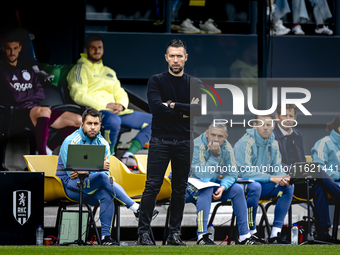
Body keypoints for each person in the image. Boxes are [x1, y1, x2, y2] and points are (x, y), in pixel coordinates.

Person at [56, 107, 158, 245]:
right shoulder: (71, 141)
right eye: (89, 123)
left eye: (96, 124)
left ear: (100, 125)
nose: (93, 127)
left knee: (106, 193)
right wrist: (96, 166)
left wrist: (87, 170)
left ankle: (105, 238)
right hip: (70, 186)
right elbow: (73, 174)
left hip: (90, 186)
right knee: (102, 179)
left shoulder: (103, 143)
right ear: (82, 124)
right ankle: (136, 208)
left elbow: (103, 173)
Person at [137, 39, 202, 246]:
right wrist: (184, 110)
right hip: (160, 140)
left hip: (185, 141)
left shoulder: (195, 83)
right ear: (166, 58)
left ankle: (174, 234)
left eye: (179, 56)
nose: (175, 60)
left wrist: (172, 105)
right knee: (152, 186)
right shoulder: (156, 81)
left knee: (180, 189)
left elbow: (198, 111)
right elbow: (156, 108)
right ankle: (143, 233)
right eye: (172, 56)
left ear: (186, 58)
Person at [67, 34, 152, 170]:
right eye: (93, 48)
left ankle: (128, 155)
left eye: (99, 47)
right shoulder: (80, 69)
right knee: (113, 121)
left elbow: (119, 91)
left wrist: (121, 105)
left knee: (156, 120)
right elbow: (78, 94)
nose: (97, 50)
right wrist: (104, 106)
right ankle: (109, 156)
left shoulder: (109, 71)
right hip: (96, 111)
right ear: (86, 49)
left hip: (117, 112)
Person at [0, 29, 81, 155]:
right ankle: (42, 155)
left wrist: (21, 93)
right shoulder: (2, 70)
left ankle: (49, 148)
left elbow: (40, 93)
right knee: (44, 110)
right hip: (15, 114)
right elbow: (14, 98)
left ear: (20, 48)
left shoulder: (28, 69)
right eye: (9, 49)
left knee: (79, 121)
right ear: (3, 48)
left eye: (15, 48)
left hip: (37, 112)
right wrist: (30, 92)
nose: (12, 52)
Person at [188, 123, 260, 245]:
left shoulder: (226, 147)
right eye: (213, 135)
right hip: (185, 186)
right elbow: (204, 178)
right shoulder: (197, 145)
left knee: (237, 189)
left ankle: (244, 236)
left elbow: (232, 173)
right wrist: (215, 156)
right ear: (206, 133)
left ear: (225, 137)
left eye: (220, 136)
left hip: (208, 185)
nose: (216, 139)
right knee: (207, 187)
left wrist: (223, 187)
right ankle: (201, 236)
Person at [234, 114, 294, 244]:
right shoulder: (245, 142)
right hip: (240, 185)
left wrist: (282, 177)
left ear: (273, 126)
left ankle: (275, 234)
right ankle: (251, 232)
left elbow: (277, 166)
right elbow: (244, 172)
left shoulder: (273, 142)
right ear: (255, 126)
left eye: (268, 124)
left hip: (261, 184)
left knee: (288, 186)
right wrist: (271, 177)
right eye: (261, 124)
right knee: (255, 186)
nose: (265, 128)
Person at [311, 116, 340, 243]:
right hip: (330, 183)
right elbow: (319, 169)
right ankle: (323, 233)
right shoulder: (324, 142)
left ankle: (323, 232)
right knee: (319, 184)